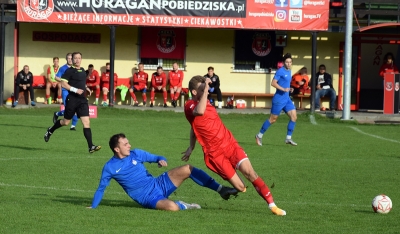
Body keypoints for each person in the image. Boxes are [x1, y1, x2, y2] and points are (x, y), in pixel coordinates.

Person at [182, 75, 286, 216]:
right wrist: (191, 147)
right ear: (194, 92)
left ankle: (272, 206)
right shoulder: (190, 105)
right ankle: (226, 186)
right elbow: (197, 117)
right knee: (241, 186)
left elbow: (194, 127)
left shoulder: (205, 100)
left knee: (251, 173)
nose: (206, 89)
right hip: (215, 154)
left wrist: (191, 147)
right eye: (201, 88)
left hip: (230, 144)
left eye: (205, 87)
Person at [87, 133, 238, 210]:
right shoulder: (110, 167)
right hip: (147, 197)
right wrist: (93, 207)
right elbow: (101, 188)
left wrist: (161, 159)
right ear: (116, 149)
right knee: (172, 208)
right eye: (125, 144)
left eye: (128, 142)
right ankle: (185, 205)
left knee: (188, 169)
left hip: (157, 183)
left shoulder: (136, 153)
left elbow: (156, 157)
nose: (129, 145)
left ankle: (221, 189)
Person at [44, 52, 101, 153]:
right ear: (72, 60)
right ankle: (50, 130)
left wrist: (87, 88)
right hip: (72, 99)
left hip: (82, 100)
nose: (77, 60)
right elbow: (63, 84)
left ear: (81, 59)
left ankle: (91, 146)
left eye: (79, 58)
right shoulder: (69, 71)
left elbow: (82, 83)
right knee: (65, 122)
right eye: (75, 58)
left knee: (86, 122)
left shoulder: (83, 71)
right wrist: (75, 90)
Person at [255, 53, 298, 147]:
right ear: (283, 62)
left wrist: (289, 88)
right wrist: (283, 89)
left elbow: (285, 83)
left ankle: (288, 138)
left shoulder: (289, 71)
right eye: (287, 62)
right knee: (273, 119)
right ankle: (259, 135)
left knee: (294, 117)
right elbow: (273, 83)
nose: (289, 64)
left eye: (290, 62)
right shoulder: (280, 71)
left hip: (286, 99)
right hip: (278, 99)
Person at [52, 53, 79, 131]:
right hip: (65, 91)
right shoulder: (63, 68)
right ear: (66, 59)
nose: (70, 60)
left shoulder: (76, 68)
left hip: (74, 90)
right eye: (69, 58)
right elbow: (56, 77)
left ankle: (73, 126)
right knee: (69, 109)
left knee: (76, 108)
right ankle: (57, 114)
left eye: (71, 58)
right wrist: (64, 81)